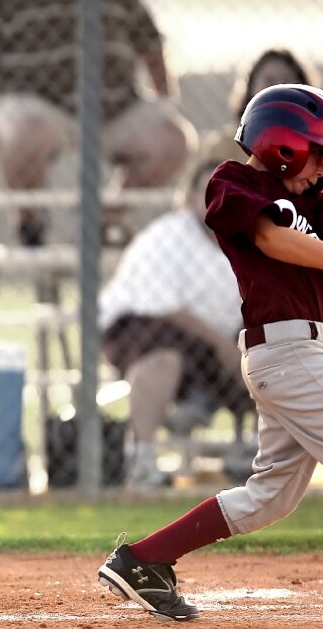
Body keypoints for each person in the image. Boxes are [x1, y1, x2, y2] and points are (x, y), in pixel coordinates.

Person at [97, 83, 323, 622]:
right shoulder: (231, 181)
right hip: (286, 358)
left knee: (269, 498)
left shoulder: (311, 200)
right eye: (319, 156)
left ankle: (143, 560)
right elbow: (270, 239)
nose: (322, 172)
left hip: (306, 352)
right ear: (283, 144)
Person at [0, 0, 195, 246]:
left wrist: (165, 102)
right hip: (35, 103)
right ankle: (31, 224)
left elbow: (149, 40)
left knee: (171, 139)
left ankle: (99, 223)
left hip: (113, 106)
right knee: (25, 133)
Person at [99, 156, 252, 488]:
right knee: (163, 355)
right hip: (143, 325)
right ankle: (141, 458)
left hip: (216, 338)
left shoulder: (248, 241)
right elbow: (164, 306)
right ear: (190, 197)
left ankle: (256, 451)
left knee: (275, 344)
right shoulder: (167, 235)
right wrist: (221, 343)